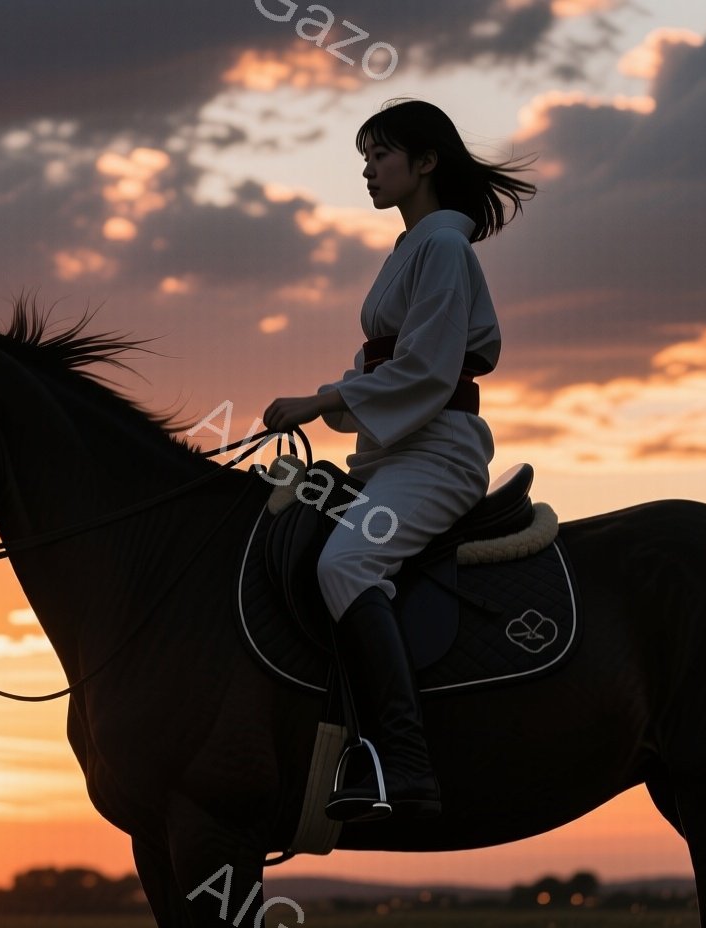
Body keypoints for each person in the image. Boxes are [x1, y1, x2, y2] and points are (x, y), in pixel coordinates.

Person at [262, 98, 536, 822]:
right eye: (364, 159)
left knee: (346, 564)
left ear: (425, 162)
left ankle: (403, 760)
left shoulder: (443, 249)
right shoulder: (412, 251)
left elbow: (427, 371)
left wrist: (322, 402)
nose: (368, 171)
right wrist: (337, 401)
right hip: (391, 454)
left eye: (380, 156)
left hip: (435, 456)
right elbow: (389, 366)